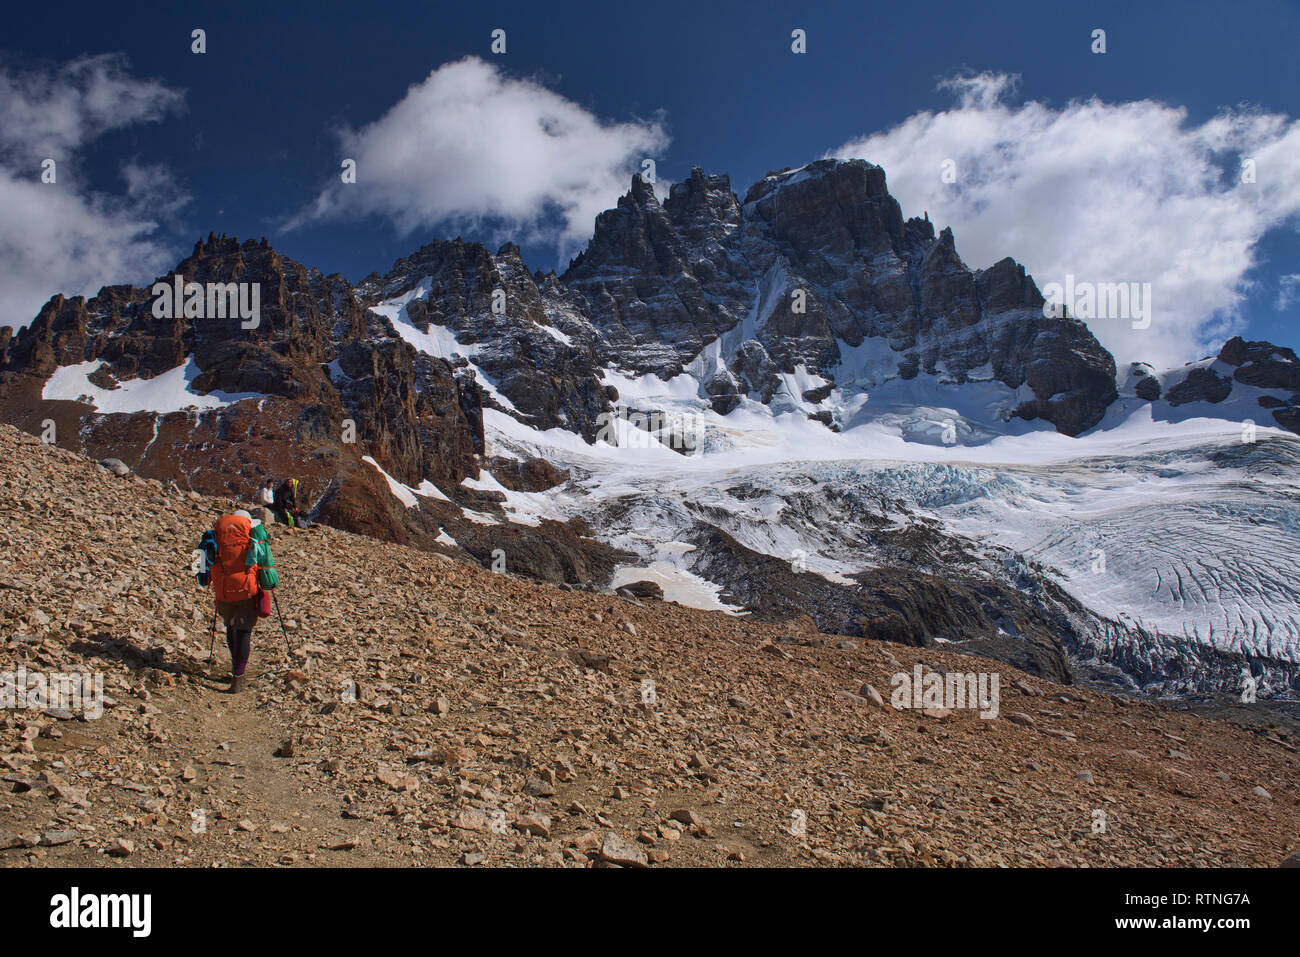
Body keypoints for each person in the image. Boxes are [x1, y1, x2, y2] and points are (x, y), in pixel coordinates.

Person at [198, 509, 278, 693]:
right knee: (244, 631)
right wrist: (268, 583)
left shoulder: (215, 536)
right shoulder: (254, 535)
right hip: (246, 590)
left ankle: (235, 667)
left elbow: (201, 561)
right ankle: (238, 678)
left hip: (223, 592)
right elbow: (266, 562)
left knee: (230, 627)